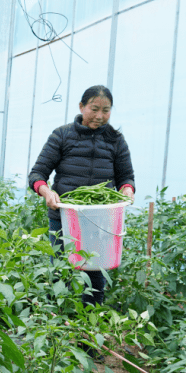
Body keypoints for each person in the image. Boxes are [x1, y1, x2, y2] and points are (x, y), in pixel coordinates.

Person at [28, 85, 135, 308]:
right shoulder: (62, 135)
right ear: (81, 107)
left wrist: (127, 190)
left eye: (106, 110)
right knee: (60, 272)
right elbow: (37, 174)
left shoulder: (116, 140)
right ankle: (56, 325)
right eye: (94, 109)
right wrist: (46, 191)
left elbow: (126, 177)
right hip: (64, 217)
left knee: (95, 275)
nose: (99, 116)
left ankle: (88, 330)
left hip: (100, 221)